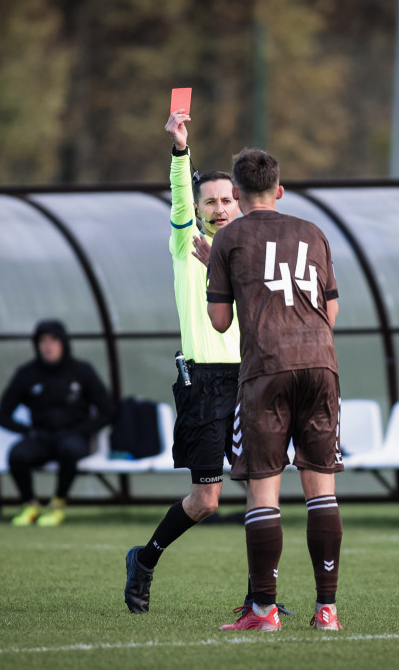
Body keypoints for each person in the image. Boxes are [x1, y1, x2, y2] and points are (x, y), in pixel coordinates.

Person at [207, 147, 344, 631]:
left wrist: (216, 269)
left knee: (264, 489)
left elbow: (220, 323)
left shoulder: (228, 238)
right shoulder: (314, 232)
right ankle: (326, 610)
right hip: (321, 366)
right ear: (279, 191)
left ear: (238, 195)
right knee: (321, 490)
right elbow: (329, 313)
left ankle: (264, 610)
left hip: (267, 368)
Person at [124, 109, 246, 613]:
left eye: (228, 200)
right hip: (204, 383)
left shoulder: (252, 251)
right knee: (206, 502)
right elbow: (178, 196)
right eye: (210, 202)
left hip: (252, 380)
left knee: (262, 491)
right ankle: (145, 559)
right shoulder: (186, 244)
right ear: (197, 209)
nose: (220, 209)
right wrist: (180, 151)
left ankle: (261, 598)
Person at [0, 319, 115, 527]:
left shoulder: (82, 371)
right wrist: (28, 431)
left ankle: (57, 505)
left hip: (74, 436)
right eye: (42, 340)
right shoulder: (27, 374)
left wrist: (82, 430)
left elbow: (108, 411)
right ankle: (31, 505)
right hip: (42, 437)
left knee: (69, 450)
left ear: (63, 342)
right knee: (17, 454)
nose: (48, 345)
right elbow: (3, 415)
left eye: (53, 340)